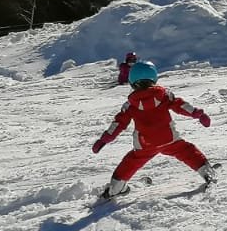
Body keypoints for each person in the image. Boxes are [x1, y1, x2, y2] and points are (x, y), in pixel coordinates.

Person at [91, 61, 216, 198]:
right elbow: (181, 106)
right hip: (169, 139)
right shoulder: (164, 96)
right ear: (154, 78)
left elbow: (118, 124)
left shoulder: (130, 105)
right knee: (187, 151)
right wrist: (198, 114)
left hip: (145, 144)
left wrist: (104, 140)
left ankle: (115, 189)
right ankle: (206, 172)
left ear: (132, 82)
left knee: (130, 162)